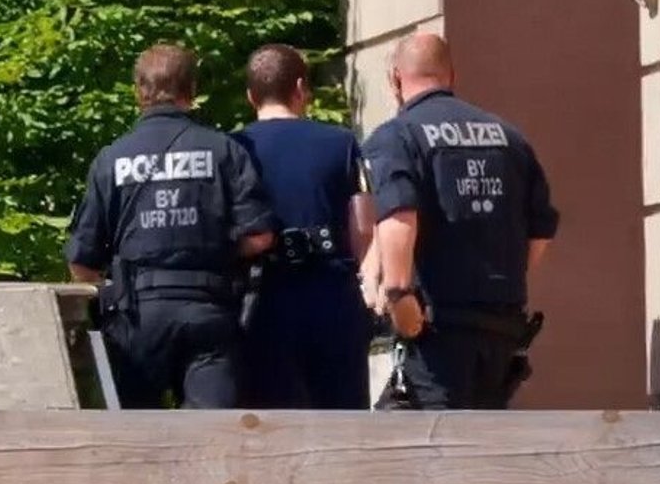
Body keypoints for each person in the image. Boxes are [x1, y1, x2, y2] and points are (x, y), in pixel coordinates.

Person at [66, 44, 277, 409]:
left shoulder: (111, 160)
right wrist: (215, 252)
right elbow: (260, 236)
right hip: (208, 311)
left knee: (138, 440)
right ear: (191, 90)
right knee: (213, 438)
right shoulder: (224, 150)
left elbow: (81, 263)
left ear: (139, 92)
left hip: (136, 319)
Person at [362, 32, 558, 410]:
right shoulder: (510, 138)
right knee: (479, 448)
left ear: (395, 80)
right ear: (452, 75)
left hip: (436, 328)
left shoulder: (398, 137)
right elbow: (540, 230)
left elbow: (399, 215)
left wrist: (399, 295)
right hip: (500, 329)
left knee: (424, 449)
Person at [231, 44, 375, 410]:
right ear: (300, 87)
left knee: (269, 422)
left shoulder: (232, 149)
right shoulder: (341, 143)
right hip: (331, 295)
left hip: (262, 300)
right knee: (343, 422)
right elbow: (363, 228)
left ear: (250, 96)